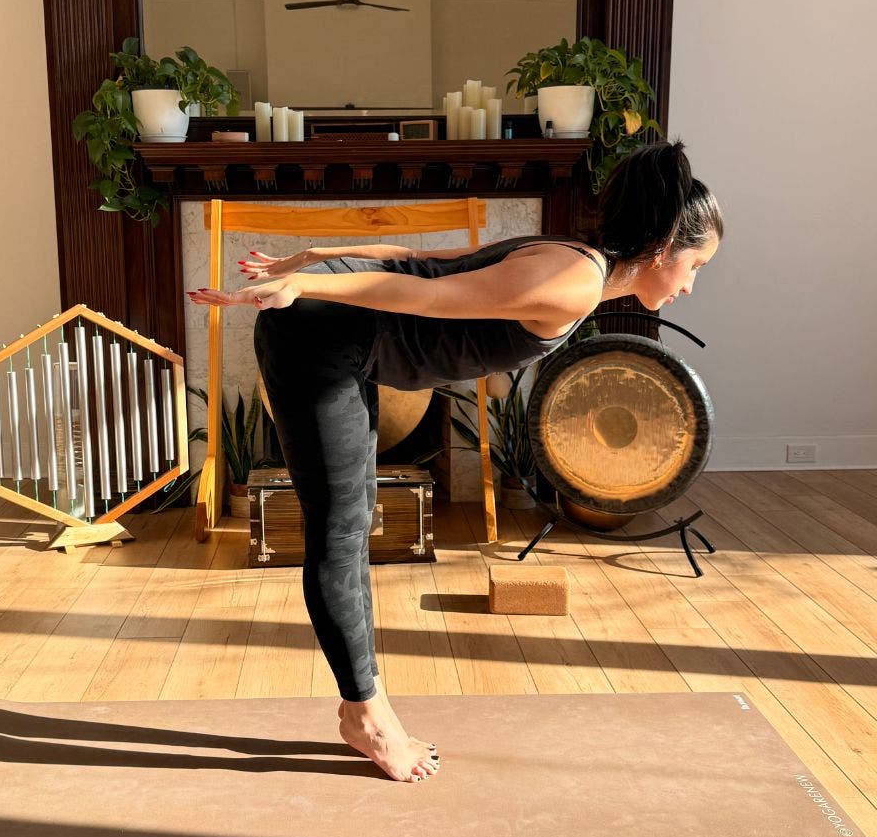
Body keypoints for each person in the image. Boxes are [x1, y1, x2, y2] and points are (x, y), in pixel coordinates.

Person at [186, 141, 722, 783]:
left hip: (341, 330)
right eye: (696, 265)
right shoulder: (577, 281)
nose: (691, 284)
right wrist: (306, 280)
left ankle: (361, 706)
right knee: (340, 528)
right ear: (662, 249)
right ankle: (367, 716)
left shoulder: (571, 255)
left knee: (354, 519)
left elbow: (429, 259)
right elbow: (429, 295)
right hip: (319, 333)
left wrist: (318, 256)